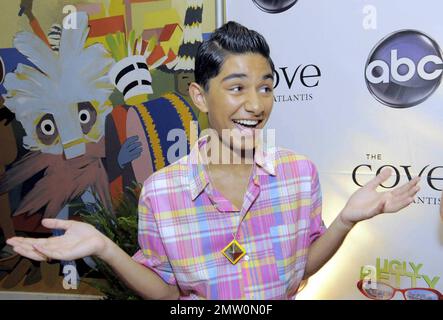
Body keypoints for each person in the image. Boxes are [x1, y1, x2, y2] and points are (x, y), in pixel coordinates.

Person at [6, 21, 420, 300]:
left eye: (266, 88)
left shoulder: (299, 174)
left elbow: (300, 268)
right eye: (237, 88)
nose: (256, 105)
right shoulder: (162, 192)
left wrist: (346, 219)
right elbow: (168, 295)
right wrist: (105, 248)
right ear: (201, 96)